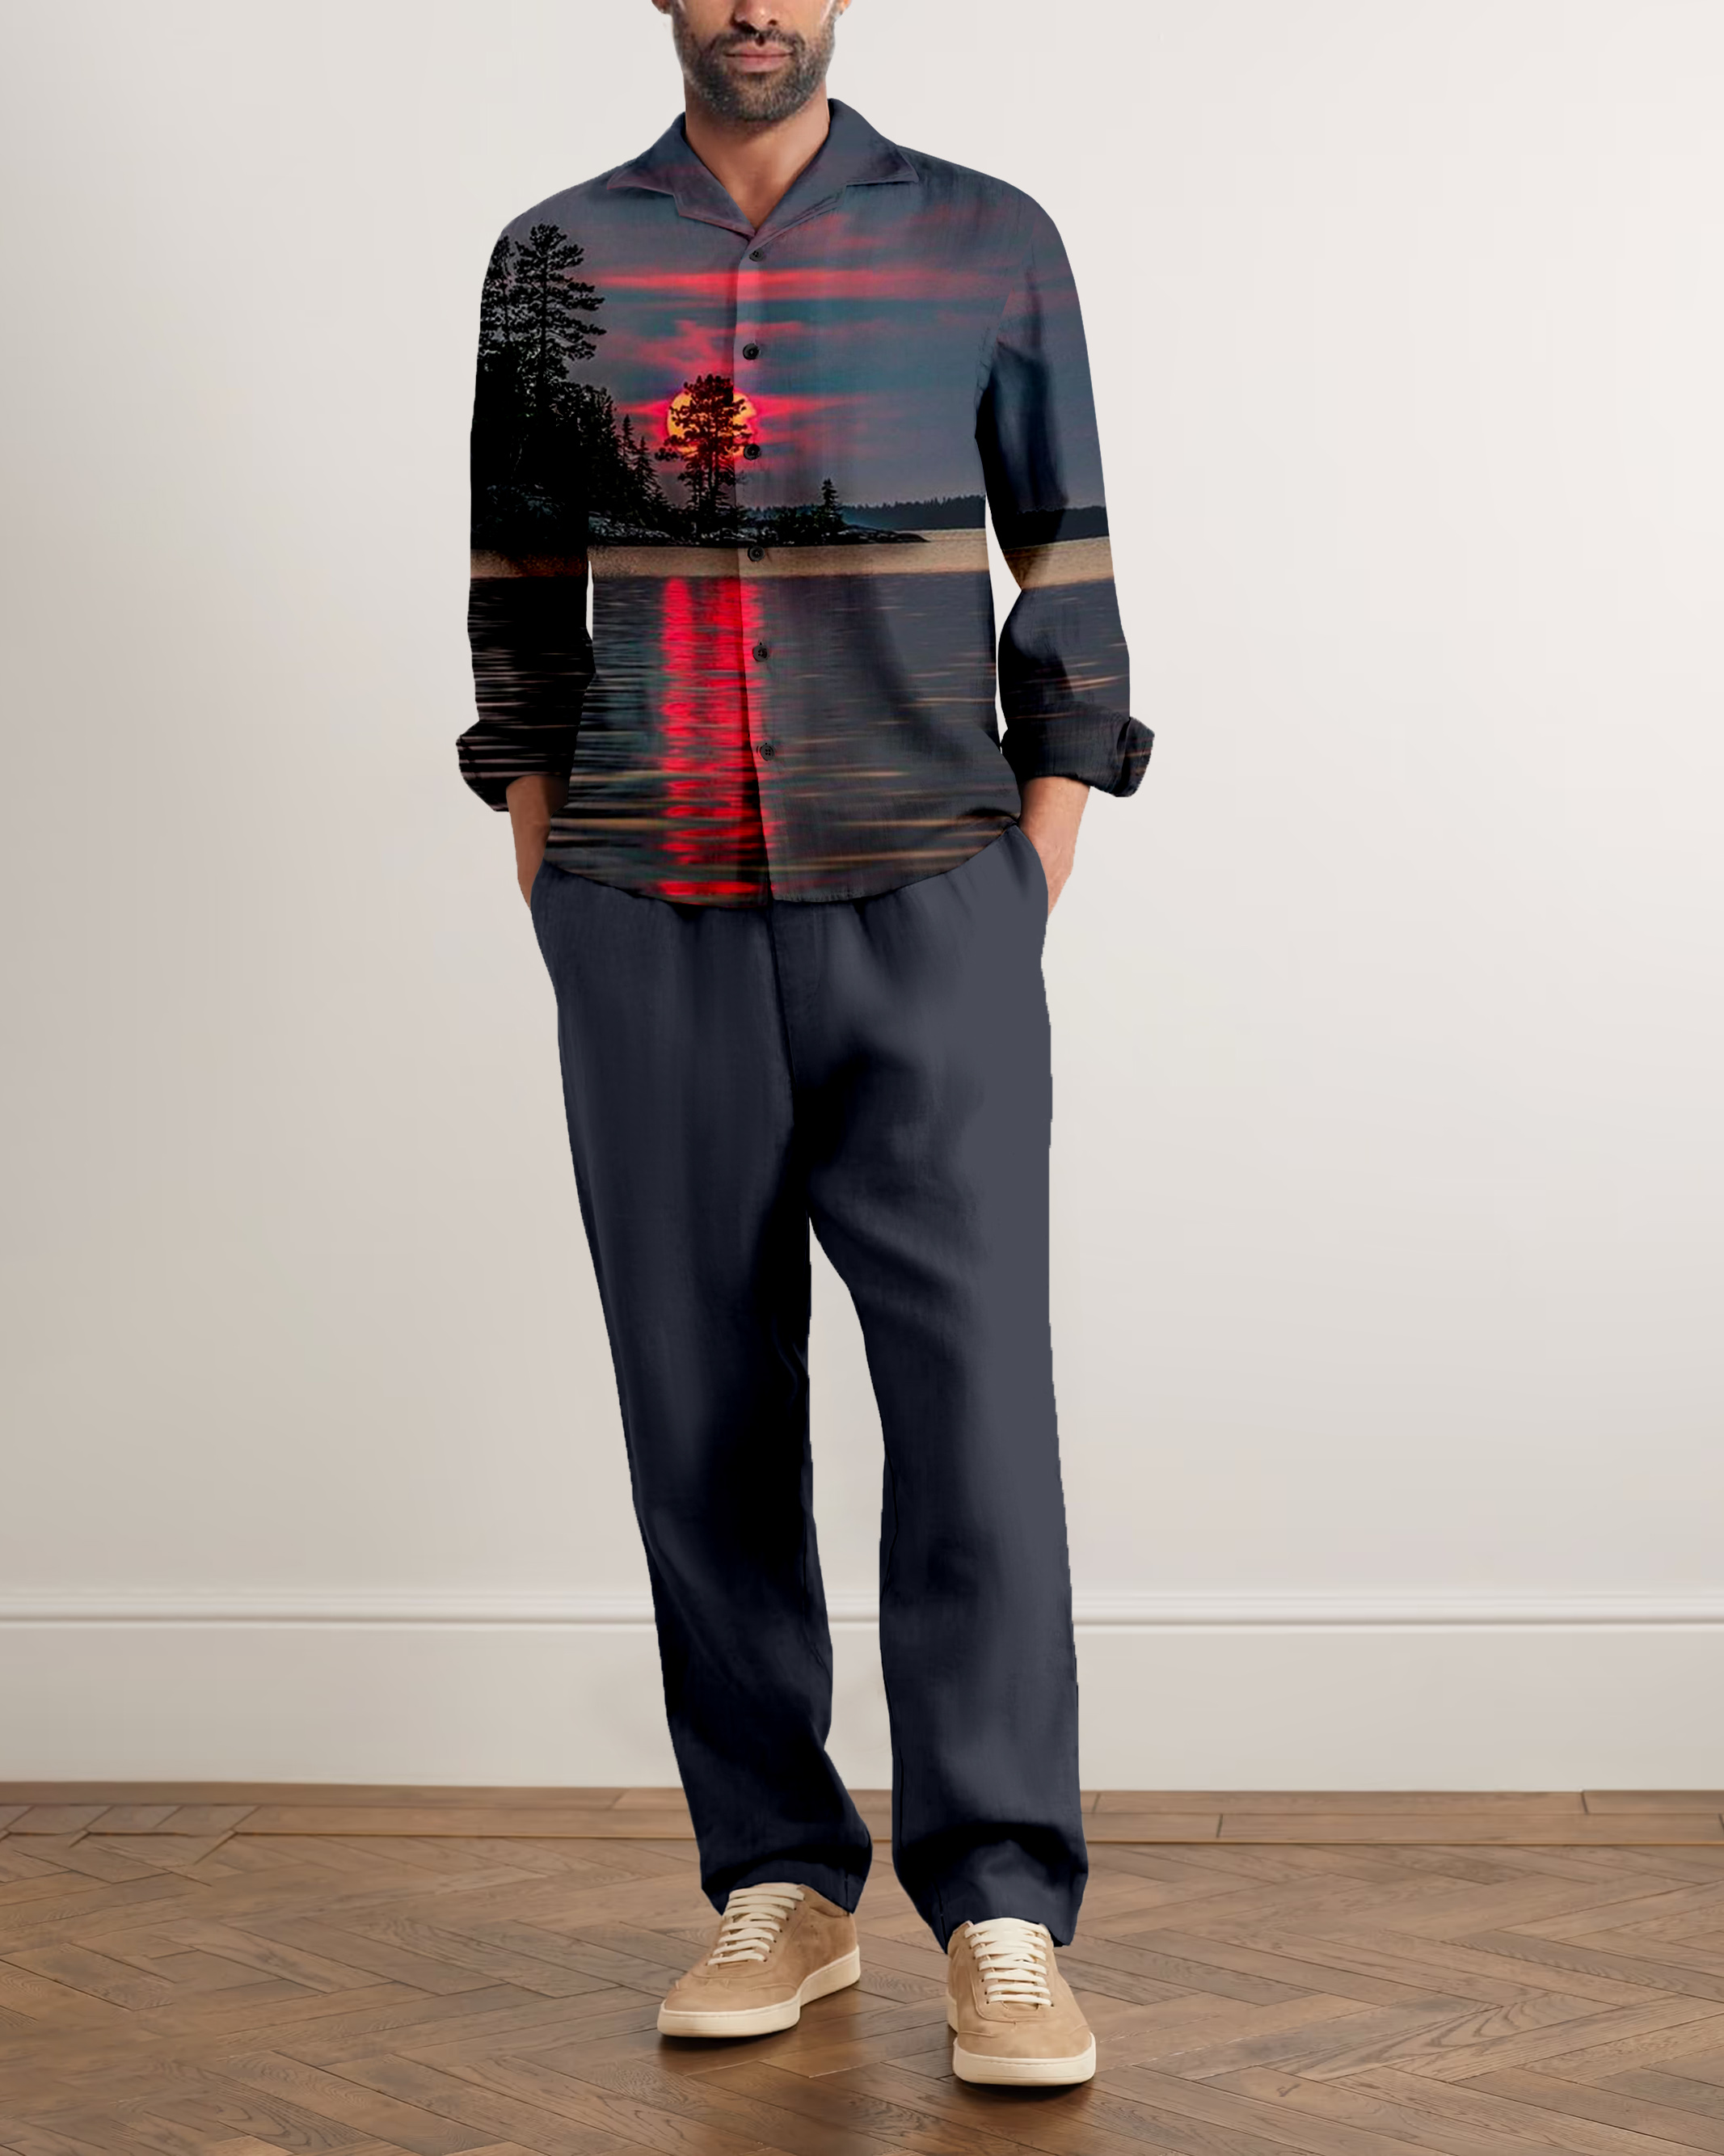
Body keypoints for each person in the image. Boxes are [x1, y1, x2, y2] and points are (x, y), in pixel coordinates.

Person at [457, 0, 1149, 2089]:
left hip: (932, 900)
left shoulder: (988, 241)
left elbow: (1071, 576)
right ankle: (778, 1874)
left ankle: (1003, 1904)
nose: (756, 2)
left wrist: (1024, 875)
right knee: (699, 1408)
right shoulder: (555, 259)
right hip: (646, 906)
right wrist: (553, 865)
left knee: (975, 1410)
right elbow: (519, 591)